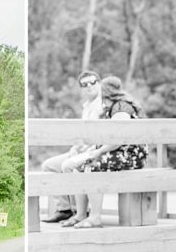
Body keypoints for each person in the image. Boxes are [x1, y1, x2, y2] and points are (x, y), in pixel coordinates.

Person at [64, 76, 147, 228]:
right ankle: (81, 214)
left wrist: (98, 152)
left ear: (107, 93)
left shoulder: (121, 108)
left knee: (92, 165)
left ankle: (95, 217)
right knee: (78, 166)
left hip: (131, 155)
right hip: (118, 152)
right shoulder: (112, 108)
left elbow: (119, 140)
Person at [40, 70, 104, 222]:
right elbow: (82, 134)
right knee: (48, 166)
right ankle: (64, 209)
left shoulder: (102, 106)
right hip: (82, 150)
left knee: (68, 166)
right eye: (85, 84)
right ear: (81, 88)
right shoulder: (86, 107)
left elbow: (99, 138)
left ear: (99, 84)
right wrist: (75, 148)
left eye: (93, 82)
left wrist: (82, 150)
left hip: (96, 151)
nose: (89, 86)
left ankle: (79, 212)